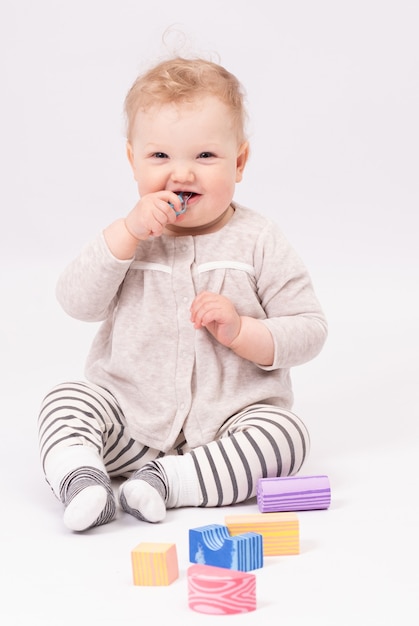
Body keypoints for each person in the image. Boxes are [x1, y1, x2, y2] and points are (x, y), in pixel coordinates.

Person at [38, 56, 328, 532]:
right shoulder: (129, 237)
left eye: (205, 156)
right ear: (132, 160)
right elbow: (76, 302)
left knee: (286, 436)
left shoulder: (259, 239)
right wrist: (124, 235)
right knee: (66, 398)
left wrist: (243, 331)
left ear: (239, 161)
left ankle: (168, 483)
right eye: (160, 157)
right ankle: (83, 480)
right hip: (130, 426)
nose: (182, 174)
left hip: (227, 429)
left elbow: (310, 330)